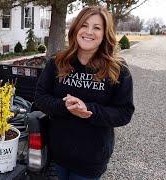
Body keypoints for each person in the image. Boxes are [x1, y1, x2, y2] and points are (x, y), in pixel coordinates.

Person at [35, 6, 135, 180]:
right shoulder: (58, 62)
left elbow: (124, 112)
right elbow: (40, 97)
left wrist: (89, 110)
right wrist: (64, 105)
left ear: (105, 34)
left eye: (97, 28)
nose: (89, 32)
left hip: (91, 159)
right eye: (84, 25)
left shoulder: (117, 69)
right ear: (75, 29)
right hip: (57, 154)